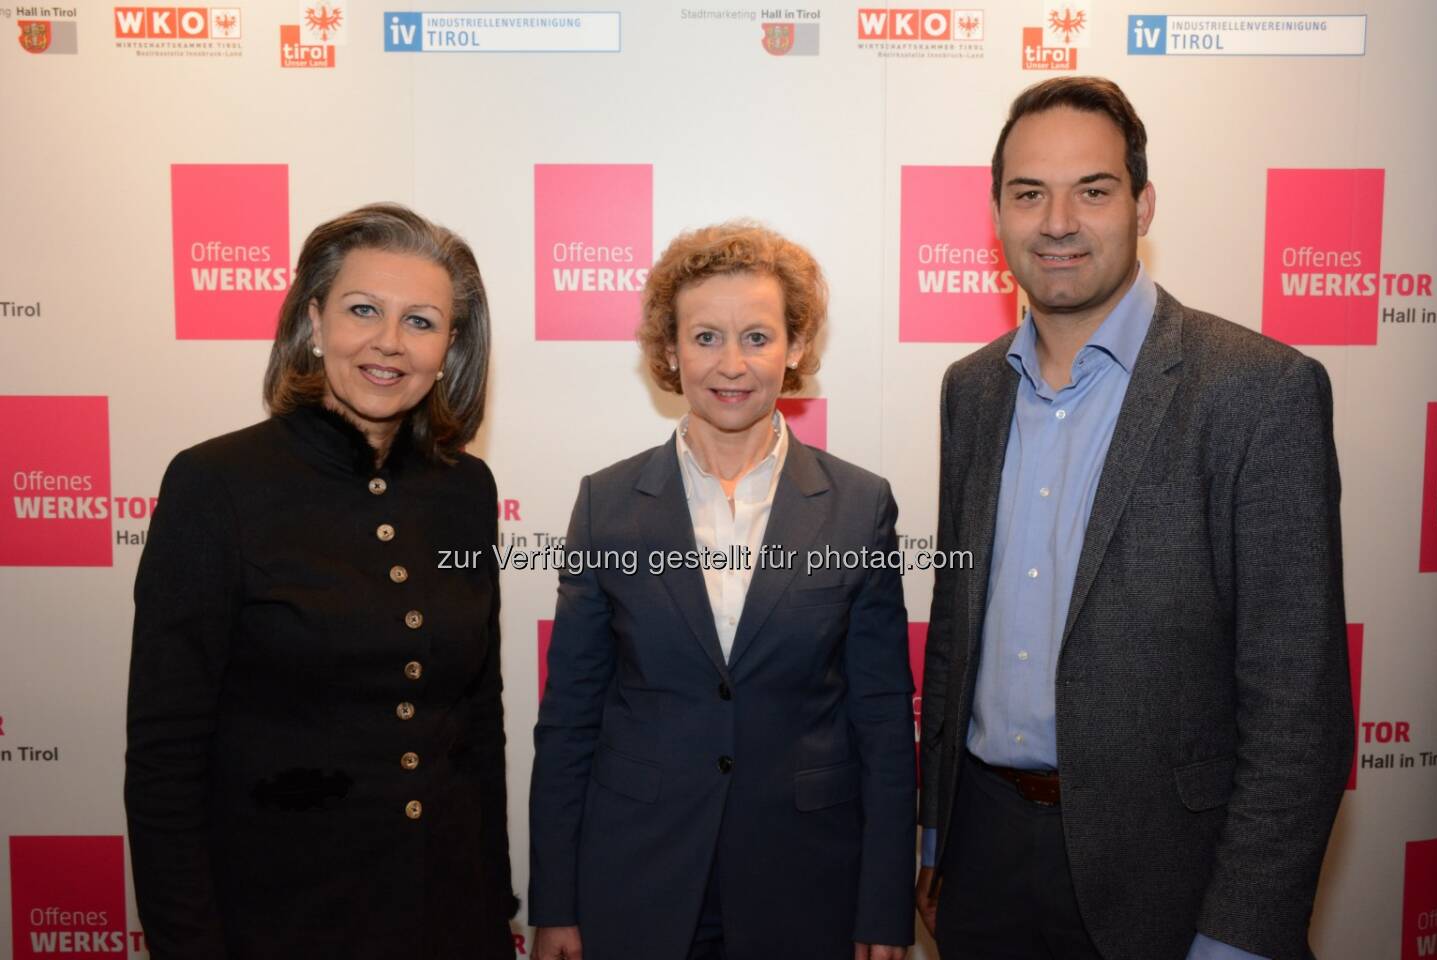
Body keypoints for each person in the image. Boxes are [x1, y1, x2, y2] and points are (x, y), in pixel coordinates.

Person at [916, 77, 1351, 960]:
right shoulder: (970, 390)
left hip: (1170, 876)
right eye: (1029, 193)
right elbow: (957, 636)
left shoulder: (1258, 392)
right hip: (983, 858)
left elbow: (1298, 708)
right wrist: (934, 835)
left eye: (1094, 190)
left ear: (1143, 205)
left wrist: (1240, 936)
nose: (1058, 221)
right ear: (997, 213)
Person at [125, 203, 516, 959]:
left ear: (451, 348)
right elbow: (166, 754)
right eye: (363, 310)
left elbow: (477, 719)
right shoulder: (216, 484)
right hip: (278, 919)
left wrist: (492, 903)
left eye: (422, 322)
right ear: (313, 321)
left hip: (447, 915)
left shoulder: (465, 489)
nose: (389, 343)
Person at [529, 222, 916, 960]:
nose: (731, 364)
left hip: (806, 883)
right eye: (705, 337)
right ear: (669, 352)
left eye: (758, 337)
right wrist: (555, 902)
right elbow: (570, 720)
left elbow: (883, 721)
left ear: (796, 347)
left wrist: (884, 907)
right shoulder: (607, 503)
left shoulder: (860, 505)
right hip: (635, 877)